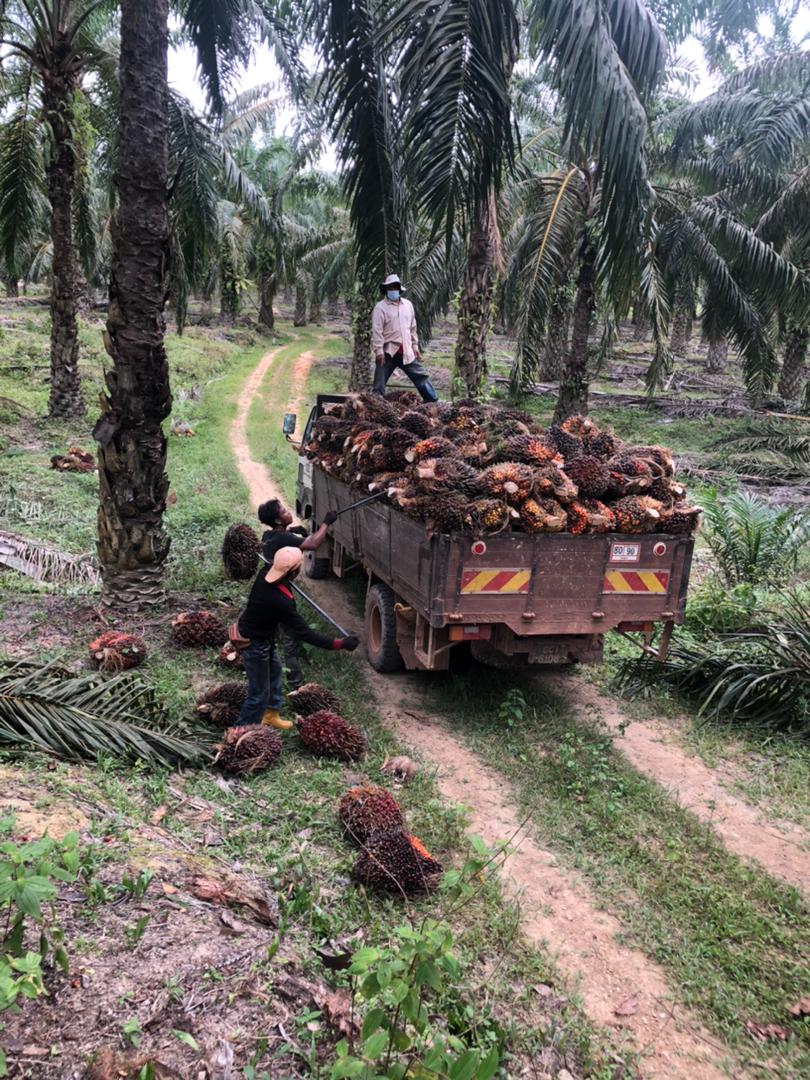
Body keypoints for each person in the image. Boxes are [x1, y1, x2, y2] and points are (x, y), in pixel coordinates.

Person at [236, 546, 358, 730]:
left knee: (275, 673)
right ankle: (240, 731)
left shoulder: (265, 572)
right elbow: (305, 634)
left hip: (262, 638)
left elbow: (278, 559)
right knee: (258, 693)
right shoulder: (280, 602)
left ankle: (270, 715)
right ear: (293, 573)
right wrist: (340, 643)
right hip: (254, 643)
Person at [257, 498, 337, 694]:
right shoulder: (283, 539)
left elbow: (282, 538)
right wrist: (326, 522)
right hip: (279, 596)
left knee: (267, 634)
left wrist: (293, 531)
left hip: (266, 591)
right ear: (277, 520)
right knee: (290, 638)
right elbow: (314, 543)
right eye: (283, 511)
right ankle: (297, 686)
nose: (288, 511)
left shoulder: (269, 536)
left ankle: (264, 670)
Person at [371, 273, 438, 402]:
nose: (393, 290)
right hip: (388, 351)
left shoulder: (408, 305)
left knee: (420, 376)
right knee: (379, 381)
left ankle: (432, 400)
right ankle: (375, 404)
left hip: (406, 350)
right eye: (390, 288)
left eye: (395, 287)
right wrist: (379, 351)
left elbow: (413, 327)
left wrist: (415, 346)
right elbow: (377, 331)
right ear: (386, 290)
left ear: (399, 289)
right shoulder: (380, 308)